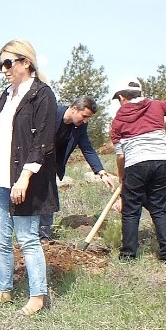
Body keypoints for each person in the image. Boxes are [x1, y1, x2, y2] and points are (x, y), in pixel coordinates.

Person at [0, 40, 58, 316]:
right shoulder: (7, 95)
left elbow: (42, 141)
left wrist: (24, 178)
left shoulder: (42, 95)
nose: (4, 69)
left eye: (8, 63)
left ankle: (38, 295)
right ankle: (4, 289)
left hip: (23, 179)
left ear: (26, 62)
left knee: (28, 239)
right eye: (1, 64)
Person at [110, 78, 166, 261]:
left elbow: (120, 156)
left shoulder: (118, 119)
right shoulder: (158, 106)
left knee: (131, 210)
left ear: (121, 97)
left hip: (135, 164)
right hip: (161, 163)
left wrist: (121, 177)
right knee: (158, 209)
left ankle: (128, 255)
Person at [38, 97, 118, 239]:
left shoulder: (80, 126)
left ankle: (44, 236)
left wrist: (102, 173)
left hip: (51, 165)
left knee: (48, 197)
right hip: (33, 160)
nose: (85, 120)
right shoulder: (51, 113)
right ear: (74, 108)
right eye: (84, 116)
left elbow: (87, 148)